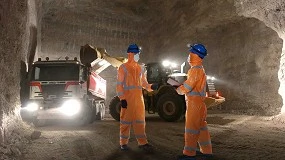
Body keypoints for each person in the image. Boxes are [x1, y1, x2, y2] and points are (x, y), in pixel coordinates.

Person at [116, 43, 158, 152]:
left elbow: (144, 84)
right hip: (128, 99)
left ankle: (143, 143)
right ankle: (123, 143)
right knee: (125, 122)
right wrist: (122, 98)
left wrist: (151, 87)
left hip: (139, 100)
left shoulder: (140, 68)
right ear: (131, 54)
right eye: (137, 53)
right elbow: (119, 85)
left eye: (138, 54)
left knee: (140, 122)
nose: (138, 55)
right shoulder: (123, 67)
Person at [176, 43, 213, 160]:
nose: (189, 55)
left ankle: (189, 153)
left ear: (194, 55)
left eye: (190, 52)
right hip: (200, 104)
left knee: (191, 129)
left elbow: (188, 86)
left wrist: (178, 89)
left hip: (193, 104)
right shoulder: (201, 69)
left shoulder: (194, 70)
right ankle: (207, 151)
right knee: (202, 128)